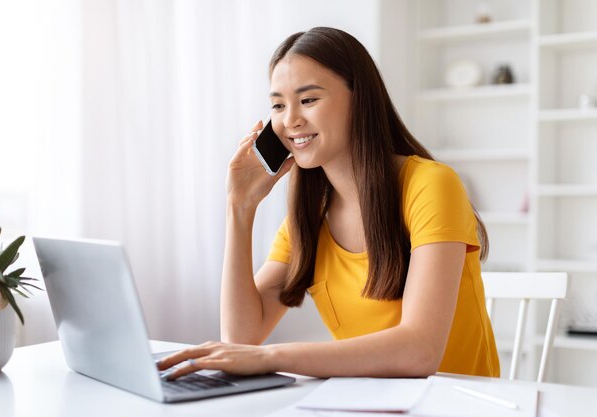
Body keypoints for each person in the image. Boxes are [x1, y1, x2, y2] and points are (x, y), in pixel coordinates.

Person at [158, 27, 500, 380]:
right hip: (367, 403)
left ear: (360, 99)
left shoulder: (430, 185)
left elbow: (420, 351)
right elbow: (242, 337)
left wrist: (272, 356)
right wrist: (239, 208)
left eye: (308, 100)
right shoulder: (310, 217)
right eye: (278, 105)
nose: (290, 120)